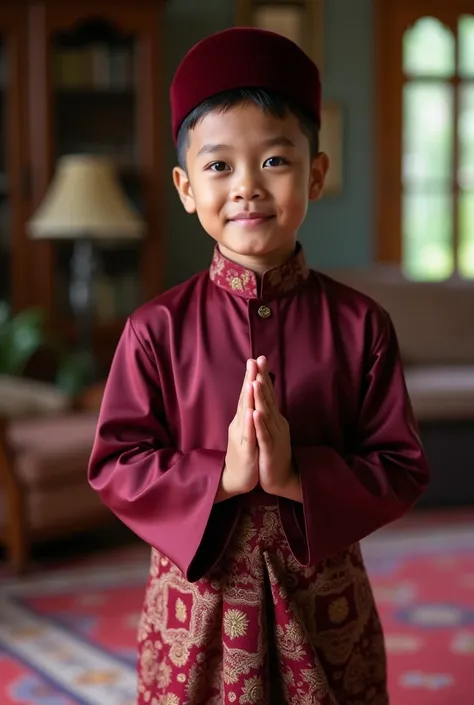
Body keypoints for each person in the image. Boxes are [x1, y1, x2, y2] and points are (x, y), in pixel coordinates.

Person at [88, 26, 429, 705]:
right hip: (200, 613)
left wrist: (296, 474)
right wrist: (226, 475)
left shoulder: (362, 327)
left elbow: (401, 465)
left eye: (274, 160)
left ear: (317, 173)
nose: (247, 187)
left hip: (324, 604)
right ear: (186, 187)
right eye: (219, 166)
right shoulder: (154, 329)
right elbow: (115, 464)